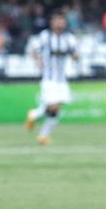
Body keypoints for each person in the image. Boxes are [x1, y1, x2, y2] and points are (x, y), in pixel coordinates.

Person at [24, 12, 79, 145]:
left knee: (57, 107)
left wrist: (75, 57)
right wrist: (38, 60)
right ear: (52, 22)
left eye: (62, 20)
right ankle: (38, 121)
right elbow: (33, 50)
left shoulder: (69, 38)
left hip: (62, 78)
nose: (59, 23)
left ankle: (39, 126)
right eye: (57, 20)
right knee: (53, 106)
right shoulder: (45, 36)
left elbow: (74, 53)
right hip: (49, 78)